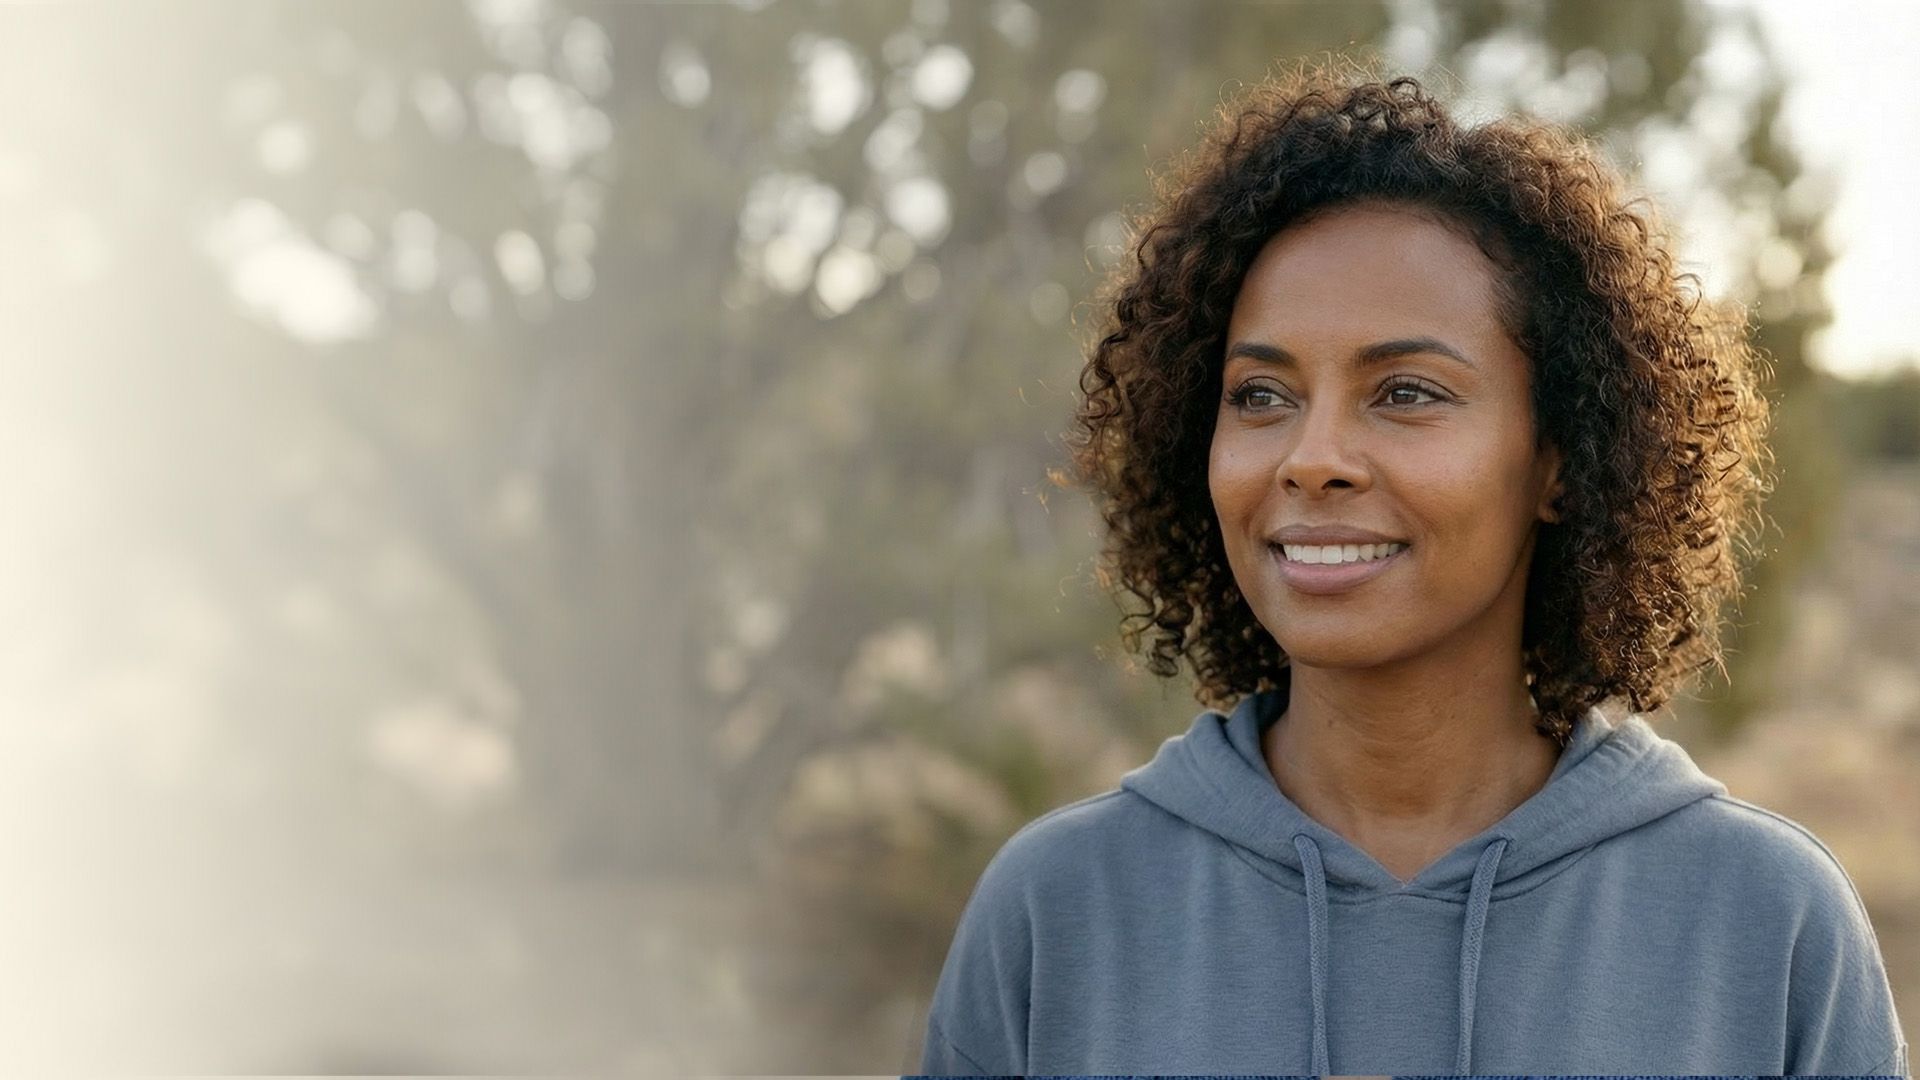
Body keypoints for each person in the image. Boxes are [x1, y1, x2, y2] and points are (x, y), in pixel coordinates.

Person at [913, 63, 1909, 1077]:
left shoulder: (1762, 921)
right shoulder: (1058, 911)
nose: (1311, 456)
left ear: (1558, 461)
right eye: (1261, 395)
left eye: (1405, 392)